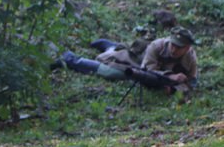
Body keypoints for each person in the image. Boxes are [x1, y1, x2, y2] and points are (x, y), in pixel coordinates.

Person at [52, 26, 198, 95]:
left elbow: (191, 81)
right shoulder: (157, 46)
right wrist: (170, 77)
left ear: (187, 48)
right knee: (109, 70)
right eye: (173, 45)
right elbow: (147, 70)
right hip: (136, 61)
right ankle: (71, 59)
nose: (174, 50)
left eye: (179, 47)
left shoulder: (190, 58)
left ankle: (111, 46)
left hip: (150, 70)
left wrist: (174, 88)